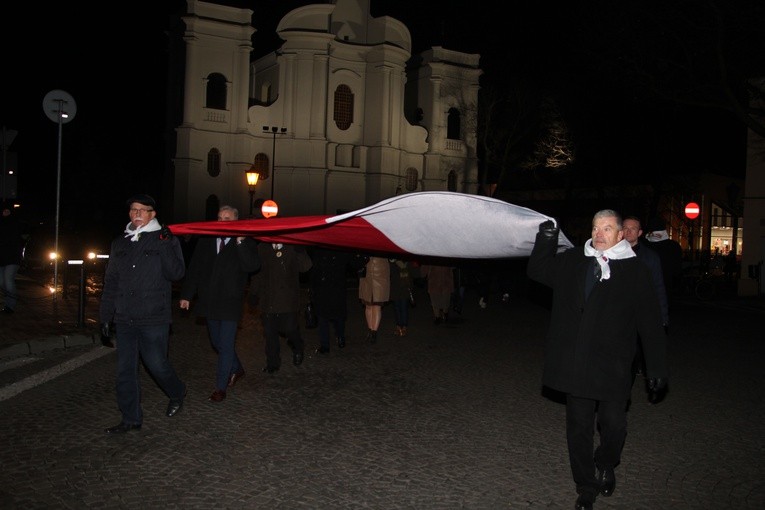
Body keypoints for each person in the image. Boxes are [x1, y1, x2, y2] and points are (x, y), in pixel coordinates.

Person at [527, 210, 668, 510]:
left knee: (613, 424)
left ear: (620, 235)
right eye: (595, 227)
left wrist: (656, 367)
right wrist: (547, 238)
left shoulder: (636, 270)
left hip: (614, 366)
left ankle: (606, 463)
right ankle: (585, 485)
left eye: (607, 228)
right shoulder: (574, 260)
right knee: (578, 428)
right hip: (577, 364)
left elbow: (650, 323)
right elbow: (538, 270)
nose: (600, 233)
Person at [99, 194, 188, 434]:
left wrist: (167, 244)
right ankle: (130, 419)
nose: (136, 213)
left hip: (153, 317)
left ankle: (177, 391)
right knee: (125, 372)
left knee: (156, 364)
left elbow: (176, 273)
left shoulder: (164, 239)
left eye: (142, 210)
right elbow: (111, 281)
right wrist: (105, 316)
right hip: (125, 317)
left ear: (152, 214)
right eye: (133, 210)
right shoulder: (120, 243)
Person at [179, 205, 260, 402]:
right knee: (217, 343)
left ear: (236, 222)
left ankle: (220, 387)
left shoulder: (245, 242)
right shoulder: (206, 240)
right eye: (220, 218)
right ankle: (238, 368)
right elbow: (195, 269)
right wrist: (187, 295)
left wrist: (240, 241)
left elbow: (252, 266)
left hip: (230, 302)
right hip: (209, 301)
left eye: (227, 219)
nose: (222, 222)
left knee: (225, 345)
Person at [250, 242, 312, 373]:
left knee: (289, 329)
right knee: (269, 333)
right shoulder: (262, 248)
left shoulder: (291, 246)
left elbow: (305, 267)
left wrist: (300, 251)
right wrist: (253, 292)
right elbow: (257, 273)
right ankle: (273, 363)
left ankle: (298, 346)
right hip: (268, 299)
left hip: (288, 300)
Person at [623, 216, 669, 380]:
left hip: (639, 313)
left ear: (640, 233)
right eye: (625, 228)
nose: (628, 231)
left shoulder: (650, 257)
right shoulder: (609, 254)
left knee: (634, 351)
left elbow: (658, 287)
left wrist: (662, 317)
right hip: (616, 313)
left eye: (633, 228)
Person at [308, 247, 362, 353]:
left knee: (335, 316)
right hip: (326, 287)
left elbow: (354, 263)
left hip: (333, 286)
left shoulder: (338, 249)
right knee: (325, 316)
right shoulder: (322, 249)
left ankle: (337, 339)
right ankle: (329, 343)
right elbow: (314, 268)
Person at [644, 217, 683, 298]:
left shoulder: (644, 245)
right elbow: (677, 270)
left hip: (646, 287)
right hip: (666, 286)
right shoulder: (673, 246)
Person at [358, 255, 390, 343]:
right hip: (366, 274)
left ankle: (374, 332)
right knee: (368, 305)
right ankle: (370, 330)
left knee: (376, 306)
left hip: (380, 274)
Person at [0, 203, 24, 313]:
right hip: (1, 258)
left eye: (7, 211)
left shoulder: (15, 223)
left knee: (8, 280)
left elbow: (19, 240)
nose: (5, 213)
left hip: (13, 258)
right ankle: (8, 301)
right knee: (2, 282)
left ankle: (10, 306)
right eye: (4, 211)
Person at [389, 258, 414, 337]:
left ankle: (404, 327)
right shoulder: (392, 261)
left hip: (404, 287)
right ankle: (398, 326)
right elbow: (391, 274)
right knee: (396, 308)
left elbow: (411, 274)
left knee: (403, 308)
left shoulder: (407, 262)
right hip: (395, 287)